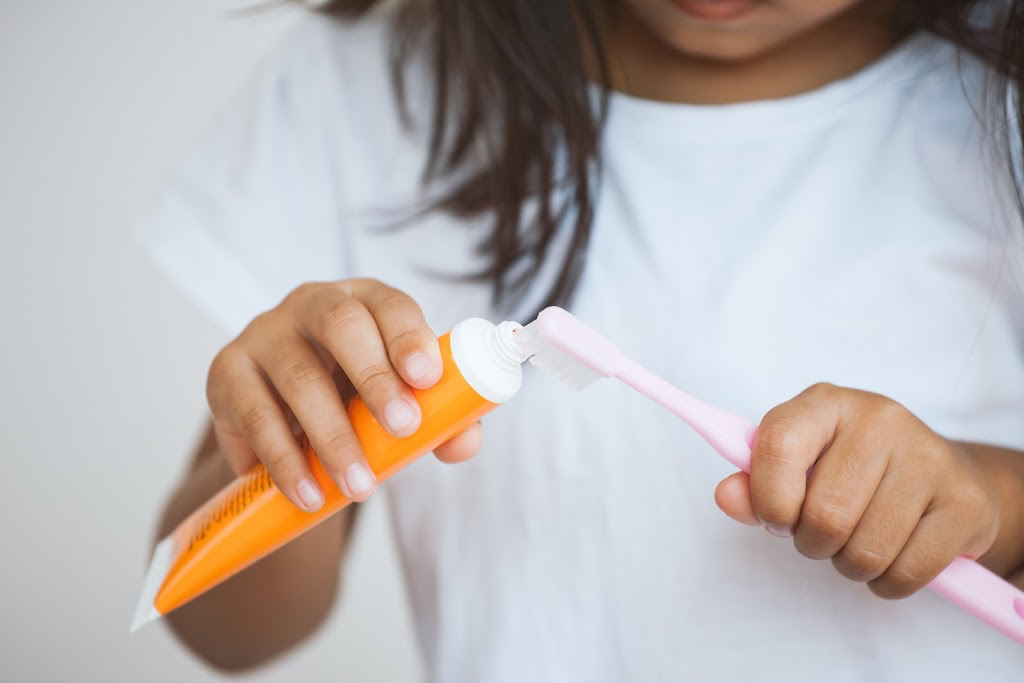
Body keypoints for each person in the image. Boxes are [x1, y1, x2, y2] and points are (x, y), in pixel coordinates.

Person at [138, 0, 1024, 680]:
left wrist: (986, 496)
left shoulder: (998, 98)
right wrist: (283, 457)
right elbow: (223, 631)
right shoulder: (366, 88)